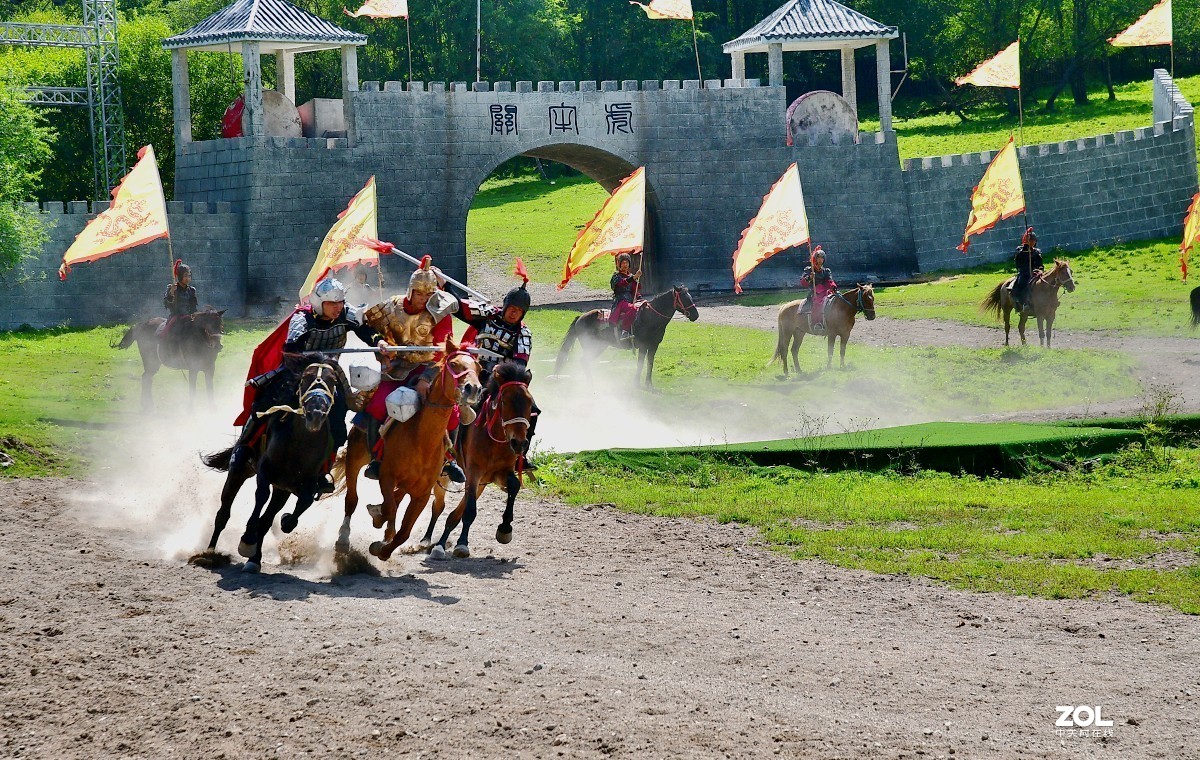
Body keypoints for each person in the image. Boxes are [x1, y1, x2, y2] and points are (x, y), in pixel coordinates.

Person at [233, 276, 383, 493]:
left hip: (330, 375)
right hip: (298, 373)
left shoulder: (346, 314)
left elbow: (366, 331)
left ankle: (322, 471)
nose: (337, 308)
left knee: (339, 422)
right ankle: (244, 448)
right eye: (332, 303)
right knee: (263, 404)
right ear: (319, 303)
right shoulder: (303, 319)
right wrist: (315, 359)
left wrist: (379, 342)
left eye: (340, 302)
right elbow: (291, 348)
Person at [359, 256, 460, 482]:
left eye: (428, 295)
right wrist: (381, 348)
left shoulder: (441, 313)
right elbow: (371, 330)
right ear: (410, 291)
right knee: (376, 405)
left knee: (451, 414)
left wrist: (426, 379)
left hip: (428, 370)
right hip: (396, 369)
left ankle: (449, 459)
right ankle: (376, 459)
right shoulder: (392, 306)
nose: (423, 299)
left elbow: (443, 350)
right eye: (419, 294)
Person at [452, 277, 540, 468]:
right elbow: (459, 307)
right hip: (475, 372)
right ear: (506, 305)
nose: (514, 313)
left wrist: (500, 370)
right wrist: (445, 285)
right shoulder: (487, 315)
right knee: (459, 401)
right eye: (512, 308)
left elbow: (519, 365)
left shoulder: (522, 334)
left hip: (501, 380)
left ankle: (520, 455)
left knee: (532, 409)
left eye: (519, 311)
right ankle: (451, 452)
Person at [155, 260, 198, 340]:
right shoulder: (172, 288)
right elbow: (167, 304)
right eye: (185, 275)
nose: (188, 278)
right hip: (176, 317)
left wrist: (193, 315)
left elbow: (193, 306)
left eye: (189, 276)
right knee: (165, 334)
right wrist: (171, 293)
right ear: (180, 276)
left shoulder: (192, 290)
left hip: (189, 317)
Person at [798, 246, 837, 333]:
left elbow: (829, 281)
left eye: (822, 258)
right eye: (818, 258)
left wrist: (833, 286)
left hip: (826, 291)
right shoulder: (809, 270)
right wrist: (810, 277)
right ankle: (817, 323)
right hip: (815, 292)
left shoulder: (826, 271)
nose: (820, 260)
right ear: (815, 258)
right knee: (819, 302)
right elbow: (803, 282)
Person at [1012, 227, 1044, 314]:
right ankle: (1024, 303)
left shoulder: (1037, 252)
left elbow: (1040, 264)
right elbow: (1018, 262)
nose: (1032, 242)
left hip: (1036, 273)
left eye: (1034, 241)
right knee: (1023, 283)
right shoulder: (1020, 250)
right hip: (1024, 273)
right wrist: (1025, 250)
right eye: (1031, 240)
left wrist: (1039, 270)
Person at [609, 253, 640, 342]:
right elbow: (622, 283)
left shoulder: (631, 276)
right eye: (623, 263)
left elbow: (635, 290)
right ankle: (624, 332)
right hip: (620, 301)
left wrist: (640, 298)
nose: (625, 265)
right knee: (633, 309)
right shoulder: (616, 276)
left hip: (630, 300)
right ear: (619, 264)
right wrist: (634, 277)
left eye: (626, 263)